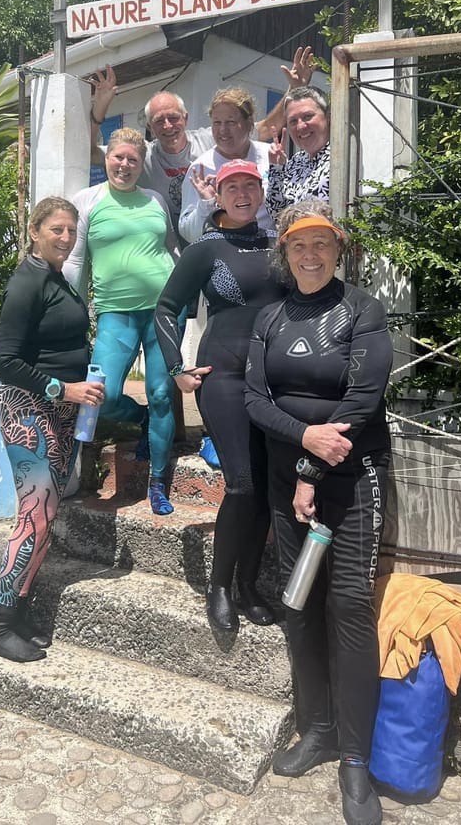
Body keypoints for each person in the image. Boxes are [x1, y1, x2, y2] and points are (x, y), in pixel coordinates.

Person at [244, 198, 393, 825]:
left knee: (349, 610)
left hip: (353, 477)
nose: (311, 254)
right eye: (299, 245)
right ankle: (319, 728)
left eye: (322, 244)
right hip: (289, 480)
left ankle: (356, 762)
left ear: (338, 249)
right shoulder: (271, 317)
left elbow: (363, 396)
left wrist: (315, 462)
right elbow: (255, 397)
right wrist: (302, 446)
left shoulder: (361, 309)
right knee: (297, 604)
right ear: (286, 252)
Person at [154, 160, 286, 631]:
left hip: (273, 382)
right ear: (220, 195)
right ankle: (220, 587)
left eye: (251, 185)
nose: (243, 193)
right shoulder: (205, 250)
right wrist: (176, 370)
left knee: (269, 489)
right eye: (234, 186)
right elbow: (166, 309)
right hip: (225, 379)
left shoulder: (277, 246)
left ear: (261, 191)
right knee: (242, 483)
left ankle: (249, 584)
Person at [0, 197, 106, 664]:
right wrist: (64, 390)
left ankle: (17, 613)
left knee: (47, 515)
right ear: (34, 231)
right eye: (56, 229)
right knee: (34, 516)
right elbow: (4, 362)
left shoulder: (57, 279)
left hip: (57, 410)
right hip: (29, 410)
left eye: (72, 231)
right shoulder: (27, 281)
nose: (66, 238)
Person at [65, 128, 179, 515]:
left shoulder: (155, 199)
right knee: (103, 395)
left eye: (133, 159)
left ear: (140, 163)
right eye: (119, 158)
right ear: (107, 158)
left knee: (163, 393)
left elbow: (171, 249)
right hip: (116, 313)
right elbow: (77, 261)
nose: (125, 165)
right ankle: (141, 418)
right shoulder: (88, 201)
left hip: (164, 312)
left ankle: (159, 482)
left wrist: (184, 294)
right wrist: (72, 311)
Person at [88, 47, 315, 239]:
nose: (168, 126)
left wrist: (294, 91)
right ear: (149, 126)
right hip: (188, 246)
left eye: (174, 118)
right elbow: (91, 155)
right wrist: (100, 108)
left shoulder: (211, 139)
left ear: (185, 118)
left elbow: (266, 128)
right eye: (159, 121)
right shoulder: (141, 156)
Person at [178, 87, 274, 242]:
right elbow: (190, 235)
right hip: (224, 254)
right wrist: (206, 204)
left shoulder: (272, 156)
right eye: (217, 123)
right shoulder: (199, 169)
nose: (223, 130)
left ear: (249, 123)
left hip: (268, 252)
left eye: (231, 122)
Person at [266, 85, 332, 221]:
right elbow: (276, 214)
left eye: (308, 116)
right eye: (293, 121)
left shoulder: (341, 155)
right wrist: (276, 169)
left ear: (328, 117)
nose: (301, 126)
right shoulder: (296, 161)